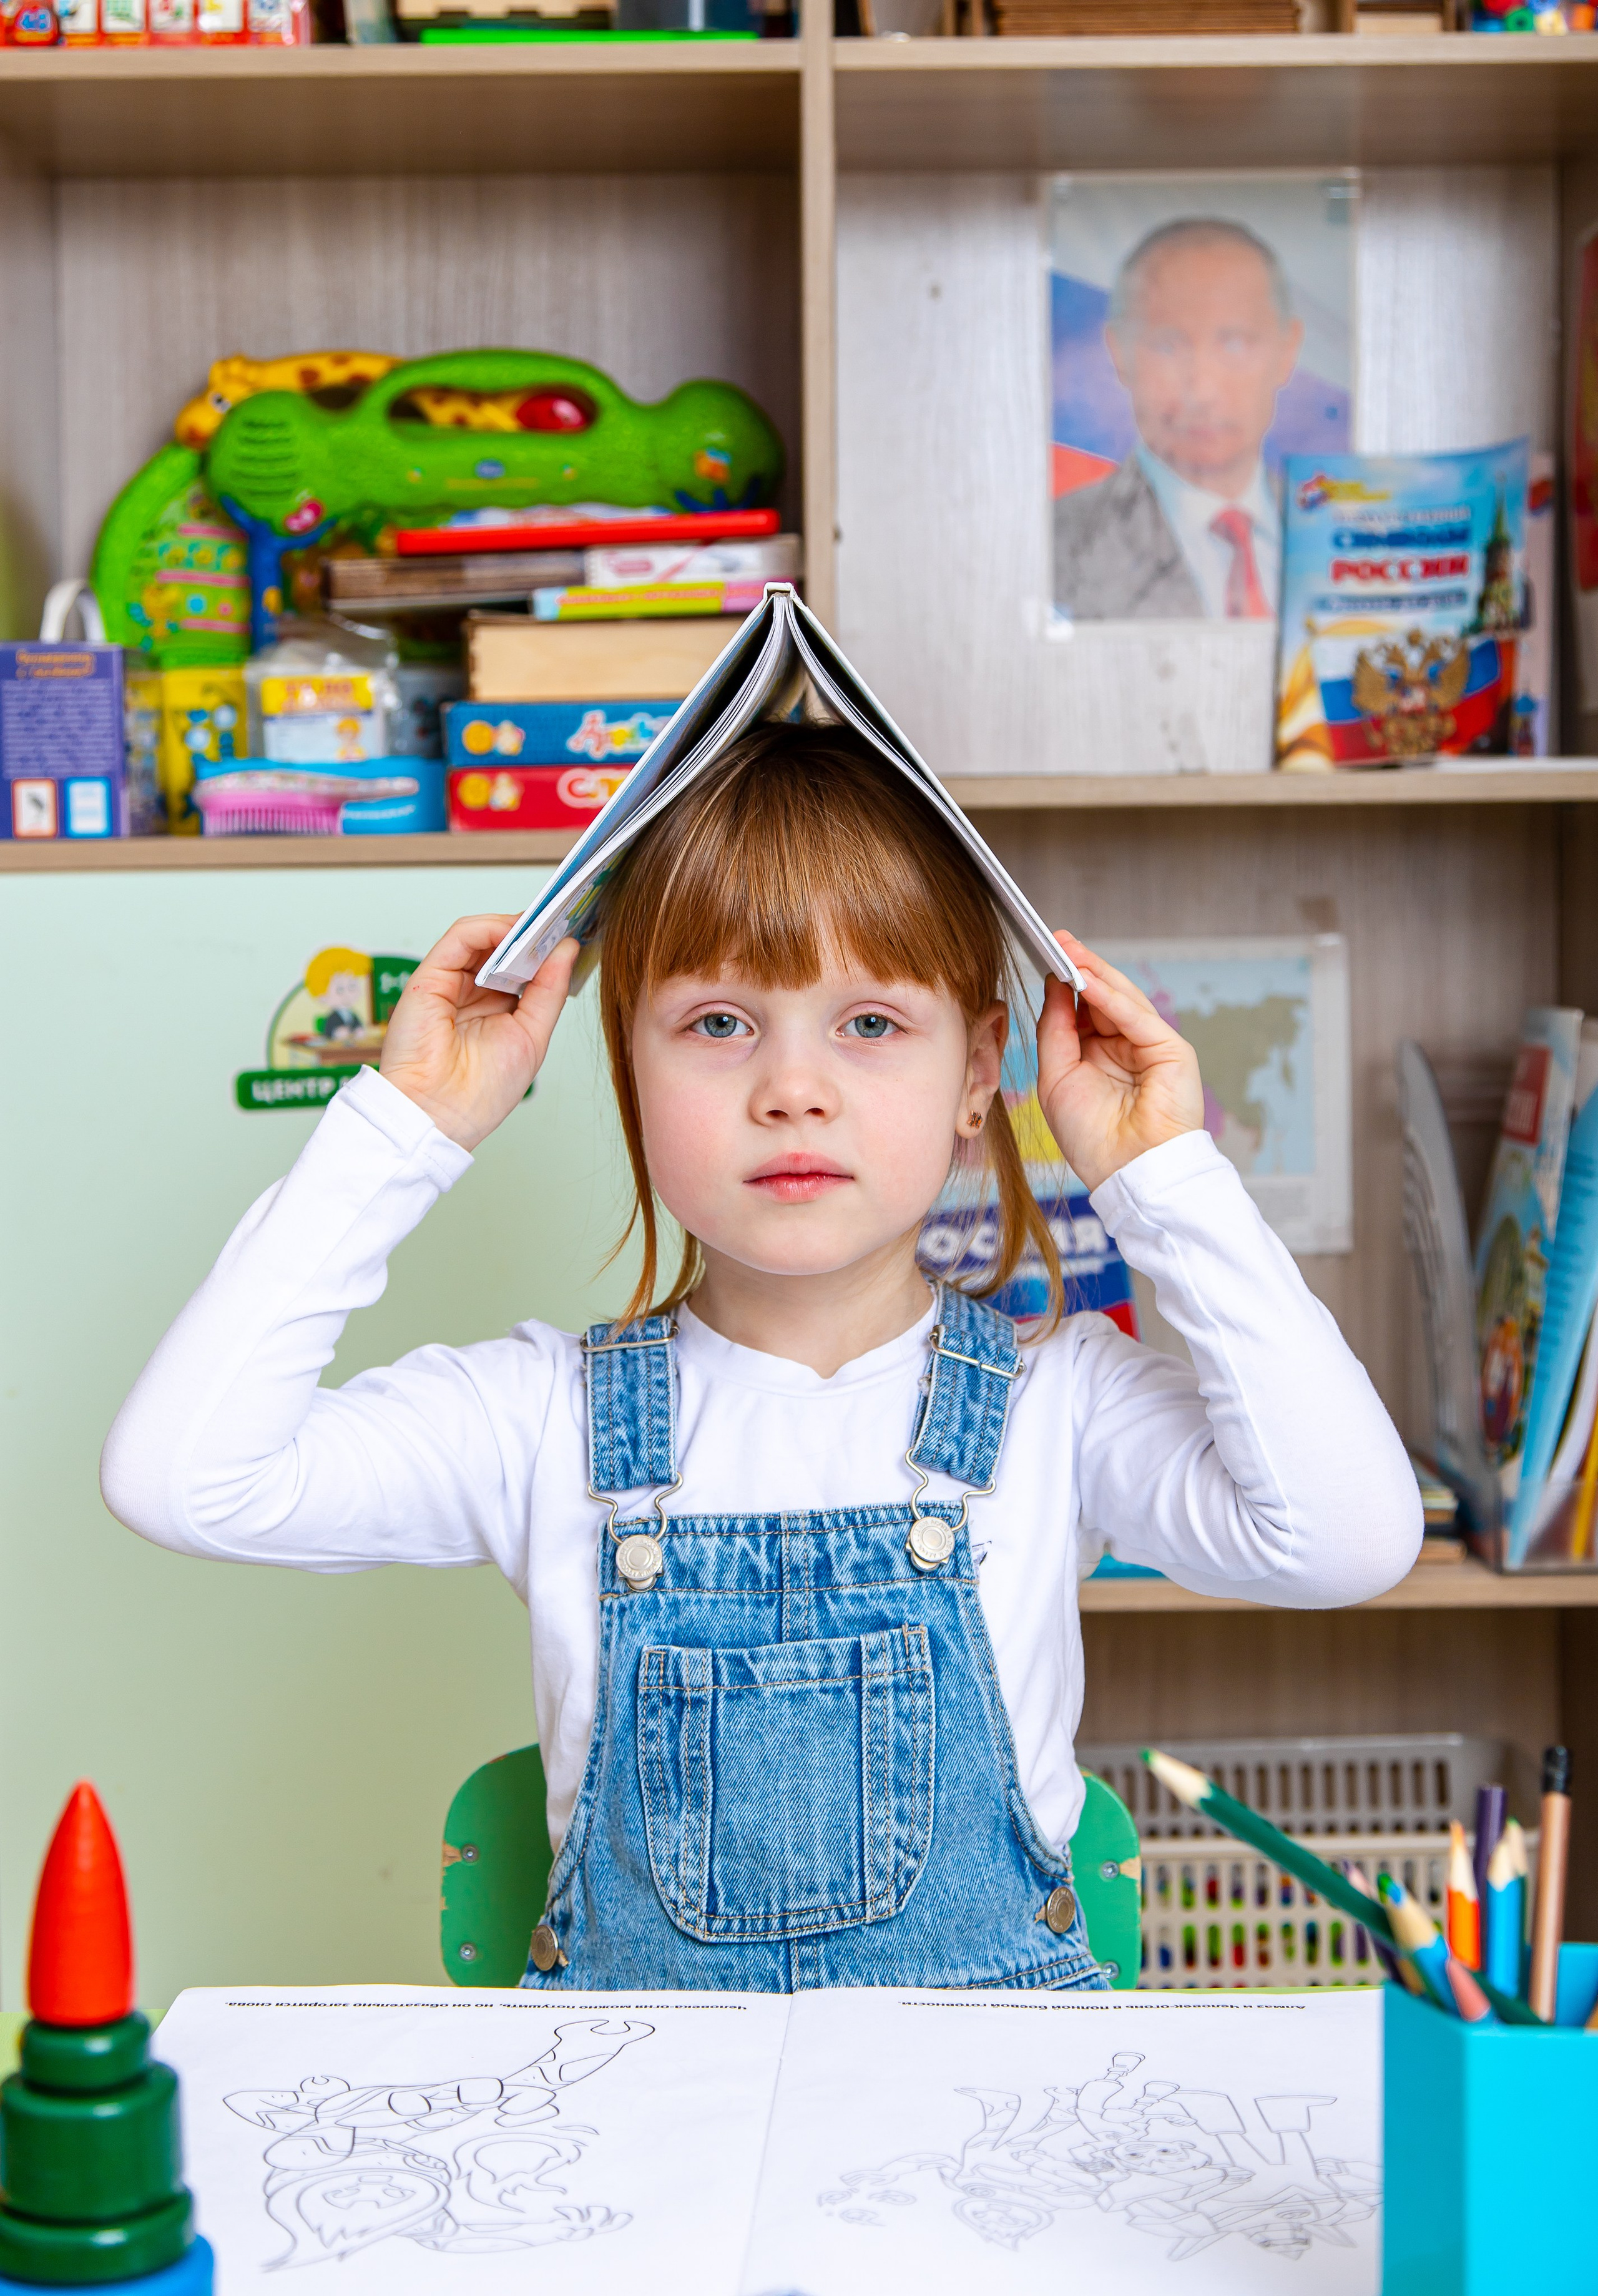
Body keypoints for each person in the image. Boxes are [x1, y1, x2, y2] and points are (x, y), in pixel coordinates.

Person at [102, 725, 1420, 1994]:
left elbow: (1347, 1537)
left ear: (978, 1075)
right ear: (628, 1067)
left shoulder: (1054, 1402)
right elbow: (187, 1480)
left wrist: (1160, 1176)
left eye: (867, 1024)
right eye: (720, 1023)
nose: (792, 1087)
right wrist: (408, 1126)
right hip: (647, 2147)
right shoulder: (536, 1419)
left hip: (973, 2145)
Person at [1054, 218, 1304, 623]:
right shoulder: (1055, 546)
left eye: (1235, 343)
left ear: (1287, 351)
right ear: (1119, 354)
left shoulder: (1348, 538)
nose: (1202, 391)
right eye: (1167, 346)